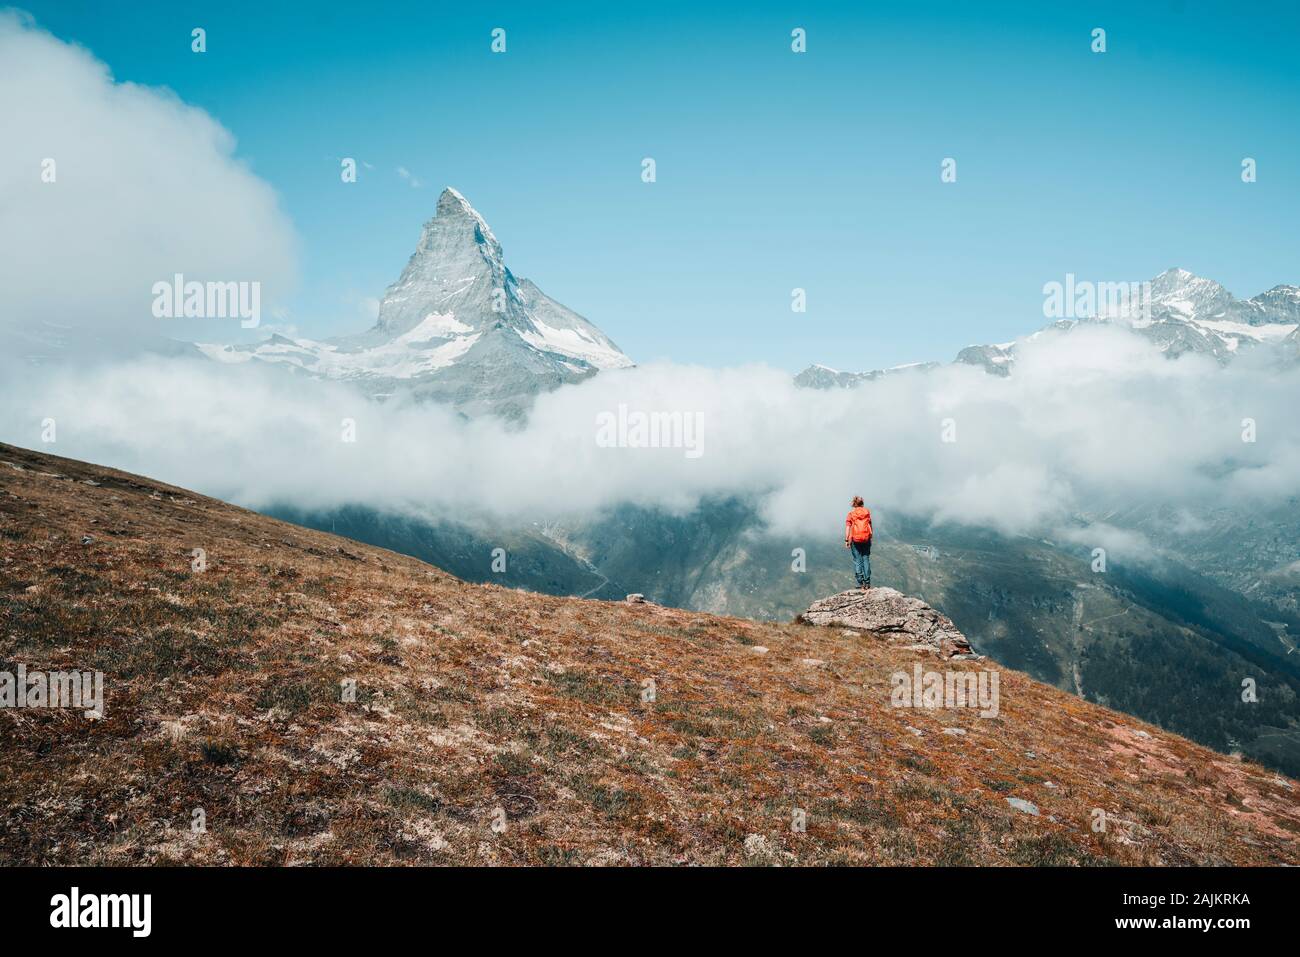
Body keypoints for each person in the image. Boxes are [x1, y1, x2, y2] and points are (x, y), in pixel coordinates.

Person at [844, 496, 873, 589]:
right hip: (866, 538)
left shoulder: (851, 514)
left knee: (857, 561)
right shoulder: (867, 512)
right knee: (866, 559)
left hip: (855, 539)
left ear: (854, 503)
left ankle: (861, 583)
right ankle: (867, 582)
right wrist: (870, 536)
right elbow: (870, 524)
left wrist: (847, 540)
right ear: (862, 503)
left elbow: (848, 527)